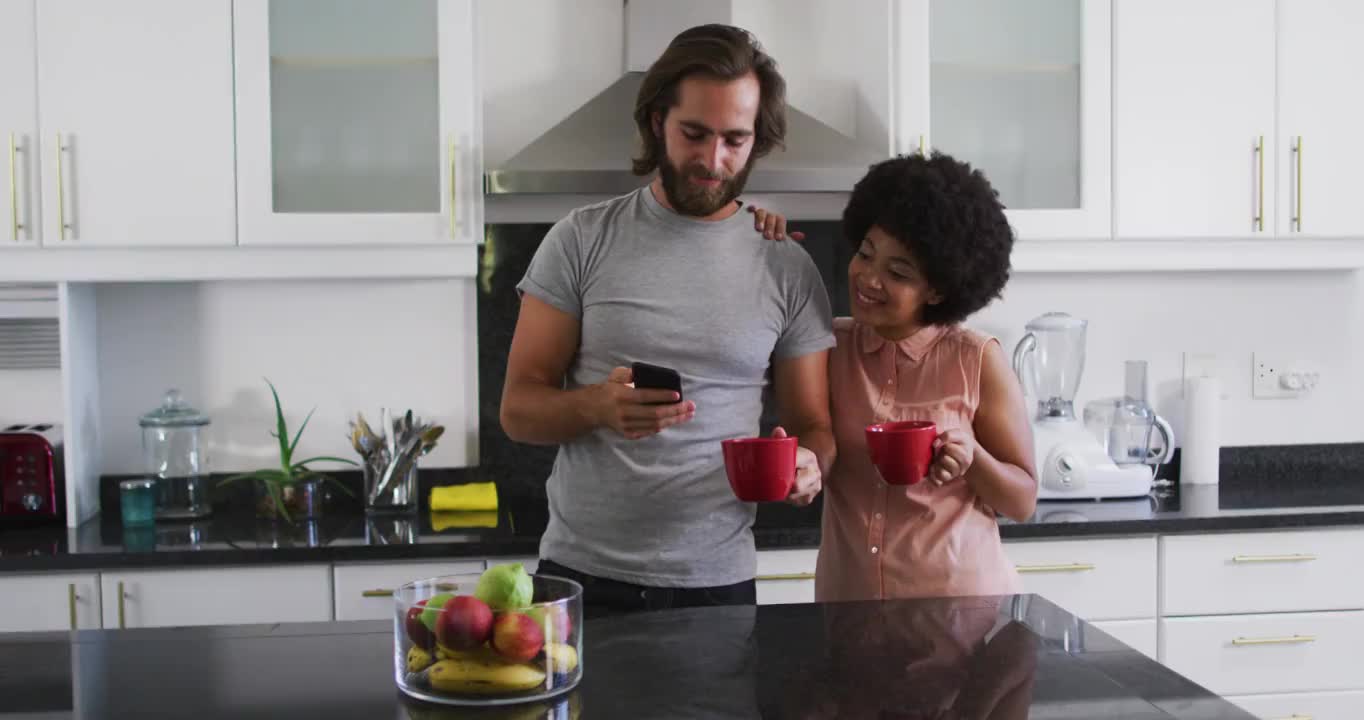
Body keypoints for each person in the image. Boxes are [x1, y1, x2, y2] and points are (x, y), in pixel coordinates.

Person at [499, 24, 836, 617]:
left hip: (716, 583)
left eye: (735, 139)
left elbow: (814, 424)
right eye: (694, 133)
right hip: (581, 577)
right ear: (658, 122)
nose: (712, 160)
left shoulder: (785, 265)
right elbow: (519, 411)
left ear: (757, 140)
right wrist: (595, 407)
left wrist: (809, 465)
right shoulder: (580, 240)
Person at [761, 152, 1038, 601]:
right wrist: (760, 245)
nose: (868, 278)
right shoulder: (827, 346)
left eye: (897, 272)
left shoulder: (976, 359)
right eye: (865, 254)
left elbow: (1022, 501)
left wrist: (973, 459)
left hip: (960, 614)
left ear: (939, 288)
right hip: (848, 611)